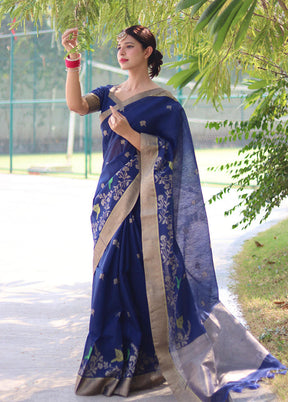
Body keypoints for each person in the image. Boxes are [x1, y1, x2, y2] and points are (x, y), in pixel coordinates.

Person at [61, 25, 286, 401]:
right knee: (108, 279)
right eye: (119, 46)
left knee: (141, 278)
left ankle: (150, 364)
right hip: (108, 203)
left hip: (144, 207)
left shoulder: (165, 104)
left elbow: (171, 157)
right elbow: (77, 106)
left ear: (148, 52)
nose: (122, 52)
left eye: (129, 46)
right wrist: (72, 61)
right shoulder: (110, 94)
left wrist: (132, 135)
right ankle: (113, 367)